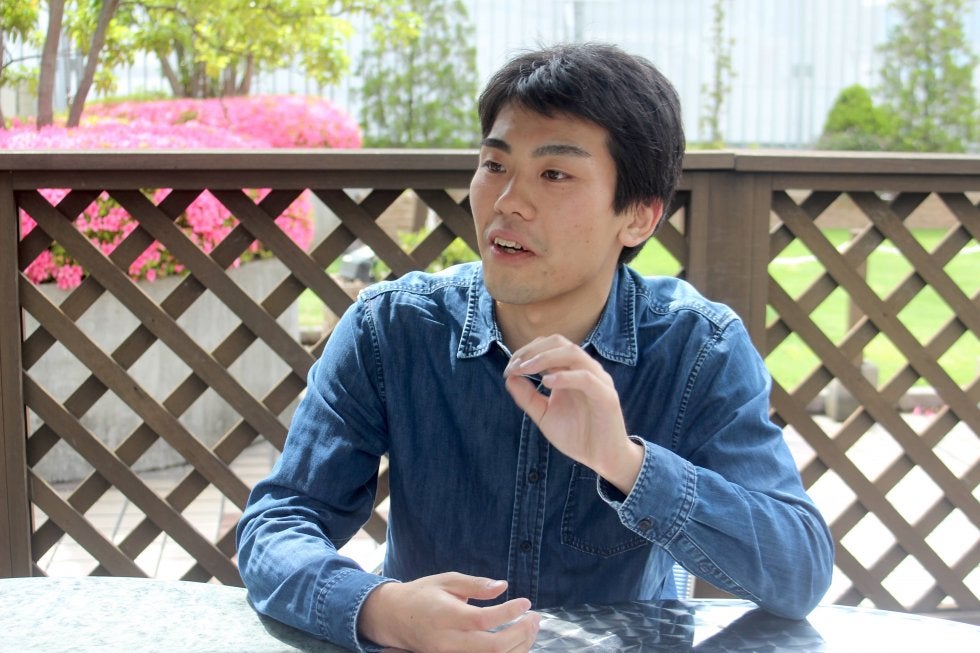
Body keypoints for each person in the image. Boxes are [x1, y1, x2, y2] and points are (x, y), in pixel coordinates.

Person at [236, 42, 834, 653]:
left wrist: (625, 462)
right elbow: (277, 525)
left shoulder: (698, 347)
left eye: (554, 175)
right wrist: (379, 608)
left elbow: (800, 571)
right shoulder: (391, 329)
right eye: (495, 165)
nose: (507, 202)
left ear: (638, 217)